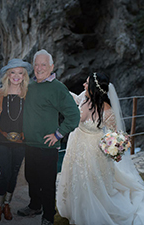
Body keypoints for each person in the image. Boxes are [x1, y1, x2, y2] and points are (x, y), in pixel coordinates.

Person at [56, 72, 144, 225]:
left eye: (87, 83)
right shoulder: (85, 96)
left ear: (93, 88)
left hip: (92, 149)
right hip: (76, 143)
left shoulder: (107, 110)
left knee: (89, 180)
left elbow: (117, 132)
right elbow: (77, 99)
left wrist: (117, 147)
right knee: (75, 176)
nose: (84, 84)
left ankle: (90, 210)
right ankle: (74, 206)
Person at [17, 49, 80, 225]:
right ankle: (35, 205)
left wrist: (58, 134)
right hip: (29, 144)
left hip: (47, 147)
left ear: (51, 66)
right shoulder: (30, 86)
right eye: (36, 64)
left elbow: (74, 115)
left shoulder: (58, 88)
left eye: (43, 64)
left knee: (47, 183)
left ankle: (48, 216)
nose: (39, 68)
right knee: (31, 178)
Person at [0, 59, 32, 224]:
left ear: (24, 76)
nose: (16, 76)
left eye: (20, 73)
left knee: (13, 173)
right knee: (5, 173)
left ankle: (7, 203)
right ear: (8, 75)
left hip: (21, 140)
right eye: (13, 72)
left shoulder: (28, 93)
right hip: (1, 140)